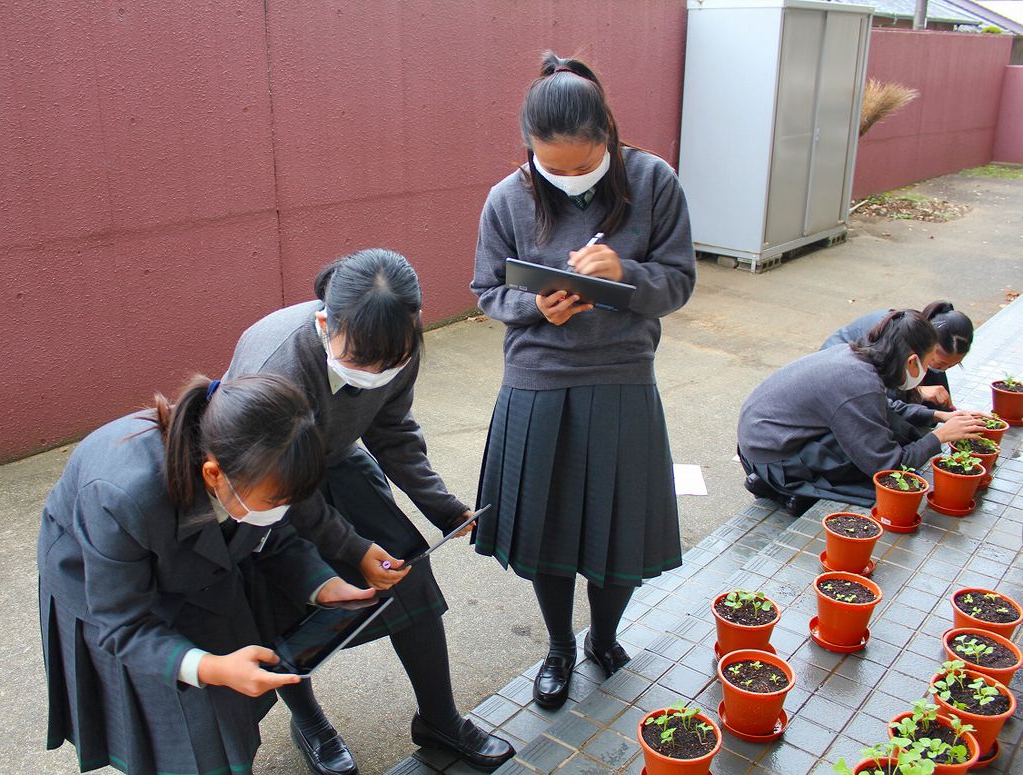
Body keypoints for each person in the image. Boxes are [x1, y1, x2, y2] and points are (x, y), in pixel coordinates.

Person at [224, 248, 514, 774]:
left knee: (409, 576)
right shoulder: (280, 367)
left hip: (337, 458)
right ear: (323, 324)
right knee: (285, 612)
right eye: (360, 362)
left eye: (390, 363)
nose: (374, 374)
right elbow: (289, 491)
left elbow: (393, 432)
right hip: (267, 479)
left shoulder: (396, 344)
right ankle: (308, 720)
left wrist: (445, 510)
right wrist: (352, 549)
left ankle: (440, 719)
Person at [469, 52, 696, 710]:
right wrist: (532, 306)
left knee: (616, 525)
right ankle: (558, 644)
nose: (568, 180)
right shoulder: (507, 196)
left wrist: (623, 274)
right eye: (551, 167)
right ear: (529, 149)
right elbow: (486, 289)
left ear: (608, 137)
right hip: (535, 382)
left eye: (583, 166)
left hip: (621, 377)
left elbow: (678, 281)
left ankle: (603, 634)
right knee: (545, 529)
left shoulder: (653, 181)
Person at [38, 374, 376, 775]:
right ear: (214, 475)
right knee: (188, 728)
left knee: (232, 683)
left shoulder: (252, 464)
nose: (284, 510)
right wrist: (211, 667)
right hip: (103, 583)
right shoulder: (123, 496)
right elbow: (123, 623)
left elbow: (273, 531)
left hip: (194, 551)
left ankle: (300, 719)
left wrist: (323, 584)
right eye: (275, 500)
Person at [739, 310, 986, 515]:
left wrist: (937, 416)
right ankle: (784, 489)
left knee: (890, 431)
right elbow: (889, 465)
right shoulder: (858, 382)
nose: (931, 369)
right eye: (931, 361)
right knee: (873, 477)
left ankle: (787, 488)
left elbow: (881, 408)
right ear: (912, 361)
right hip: (772, 457)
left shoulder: (856, 356)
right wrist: (940, 437)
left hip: (766, 439)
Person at [822, 302, 975, 440]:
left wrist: (946, 415)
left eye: (951, 365)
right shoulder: (889, 337)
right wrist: (919, 391)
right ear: (931, 345)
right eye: (941, 363)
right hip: (833, 381)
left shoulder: (921, 338)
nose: (943, 370)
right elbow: (878, 397)